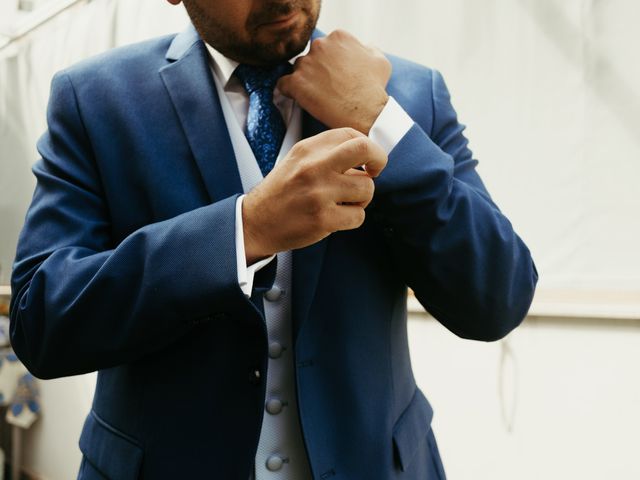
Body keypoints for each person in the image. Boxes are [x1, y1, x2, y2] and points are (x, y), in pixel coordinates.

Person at [9, 0, 538, 478]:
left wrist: (380, 124)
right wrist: (245, 230)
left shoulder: (409, 94)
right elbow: (43, 322)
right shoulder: (95, 98)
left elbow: (496, 299)